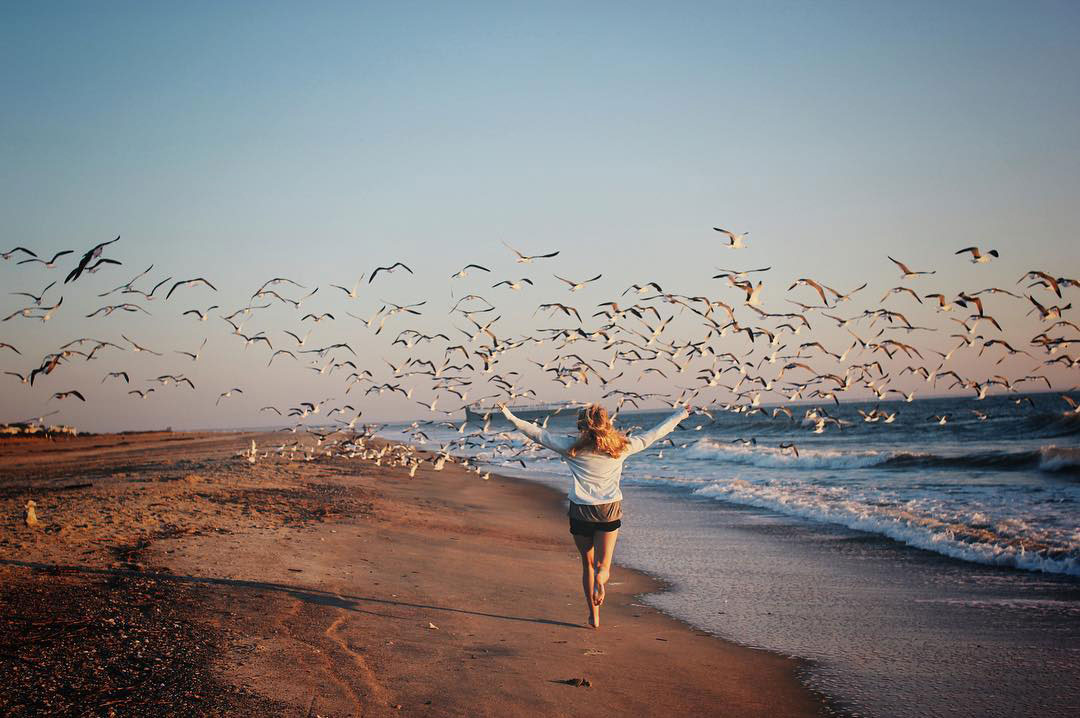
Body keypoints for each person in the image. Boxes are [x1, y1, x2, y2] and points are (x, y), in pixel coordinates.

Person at [498, 402, 690, 629]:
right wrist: (680, 414)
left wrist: (509, 415)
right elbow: (654, 434)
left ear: (582, 426)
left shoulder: (571, 447)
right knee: (602, 565)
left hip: (581, 510)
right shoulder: (622, 446)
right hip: (608, 510)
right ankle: (603, 577)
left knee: (587, 563)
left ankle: (593, 616)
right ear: (606, 423)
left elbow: (537, 434)